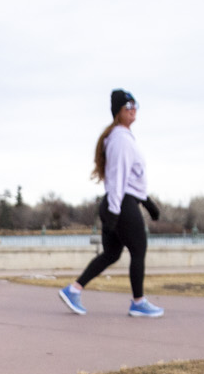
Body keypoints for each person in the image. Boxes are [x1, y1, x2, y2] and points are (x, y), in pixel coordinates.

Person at [60, 89, 163, 318]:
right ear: (118, 111)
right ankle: (138, 302)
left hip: (120, 202)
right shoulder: (120, 139)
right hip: (121, 204)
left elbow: (129, 180)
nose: (133, 109)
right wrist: (115, 213)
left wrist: (147, 203)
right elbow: (118, 179)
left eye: (135, 104)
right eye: (128, 106)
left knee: (112, 254)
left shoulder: (121, 137)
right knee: (138, 250)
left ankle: (74, 289)